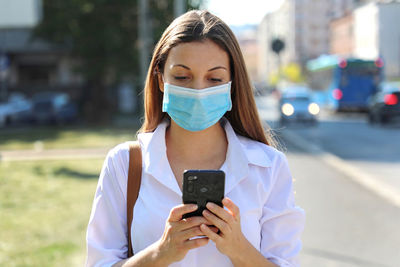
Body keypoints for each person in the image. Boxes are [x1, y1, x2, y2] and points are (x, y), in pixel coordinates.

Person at [86, 10, 305, 267]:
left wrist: (239, 248)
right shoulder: (124, 165)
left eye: (214, 78)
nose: (199, 90)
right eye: (182, 76)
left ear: (231, 85)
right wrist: (160, 253)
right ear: (160, 80)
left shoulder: (269, 167)